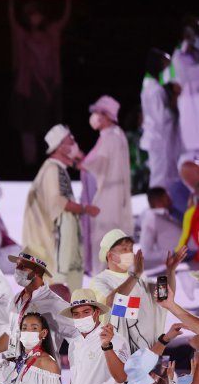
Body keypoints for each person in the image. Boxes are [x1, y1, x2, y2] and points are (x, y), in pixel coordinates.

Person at [22, 124, 97, 290]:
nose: (74, 144)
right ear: (60, 146)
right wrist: (85, 209)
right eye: (71, 141)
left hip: (60, 243)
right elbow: (58, 203)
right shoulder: (52, 169)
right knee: (58, 291)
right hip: (53, 245)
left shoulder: (58, 168)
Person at [89, 229, 183, 352]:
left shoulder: (140, 278)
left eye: (131, 249)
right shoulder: (99, 281)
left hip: (152, 352)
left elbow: (165, 297)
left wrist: (170, 271)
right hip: (120, 356)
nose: (130, 253)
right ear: (110, 255)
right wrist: (136, 275)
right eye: (124, 249)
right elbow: (111, 302)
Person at [8, 0, 71, 166]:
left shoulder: (50, 33)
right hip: (29, 86)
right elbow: (13, 24)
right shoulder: (25, 37)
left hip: (49, 83)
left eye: (37, 14)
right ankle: (29, 161)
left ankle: (51, 159)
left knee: (49, 123)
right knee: (28, 124)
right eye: (31, 15)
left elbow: (63, 20)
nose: (35, 18)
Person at [59, 289, 129, 384]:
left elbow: (121, 377)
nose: (81, 317)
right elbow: (75, 380)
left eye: (86, 312)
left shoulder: (115, 340)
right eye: (76, 314)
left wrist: (106, 346)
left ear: (97, 312)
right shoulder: (74, 344)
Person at [0, 246, 78, 361]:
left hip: (43, 373)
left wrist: (78, 370)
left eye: (23, 266)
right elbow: (11, 337)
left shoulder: (53, 303)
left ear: (38, 271)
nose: (17, 270)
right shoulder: (16, 299)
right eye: (17, 265)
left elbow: (79, 334)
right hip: (16, 372)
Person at [81, 95, 134, 275]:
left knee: (104, 235)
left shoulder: (111, 137)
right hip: (115, 193)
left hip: (108, 193)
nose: (94, 117)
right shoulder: (116, 134)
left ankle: (103, 274)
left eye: (97, 113)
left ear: (106, 115)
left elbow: (96, 163)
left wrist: (79, 160)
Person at [141, 48, 183, 189]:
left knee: (165, 175)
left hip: (161, 139)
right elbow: (161, 117)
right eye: (165, 63)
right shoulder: (154, 90)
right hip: (159, 139)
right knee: (160, 177)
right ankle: (158, 208)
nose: (167, 67)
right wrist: (175, 100)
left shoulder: (153, 87)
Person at [142, 187, 186, 270]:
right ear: (159, 202)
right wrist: (172, 254)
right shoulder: (151, 219)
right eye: (167, 199)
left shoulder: (167, 214)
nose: (171, 201)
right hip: (178, 266)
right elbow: (146, 253)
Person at [173, 17, 199, 155]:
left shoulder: (195, 54)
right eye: (188, 36)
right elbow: (190, 77)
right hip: (190, 106)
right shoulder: (178, 57)